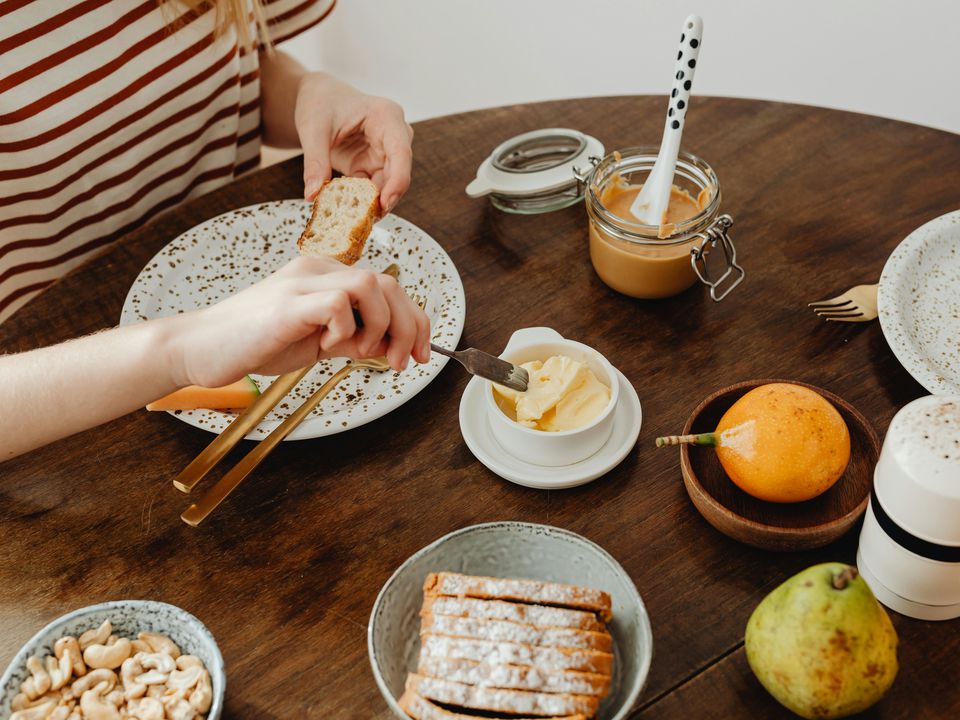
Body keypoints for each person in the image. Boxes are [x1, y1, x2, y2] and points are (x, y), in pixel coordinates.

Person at [0, 0, 429, 460]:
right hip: (55, 423)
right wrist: (184, 349)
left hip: (236, 303)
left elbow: (229, 71)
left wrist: (307, 94)